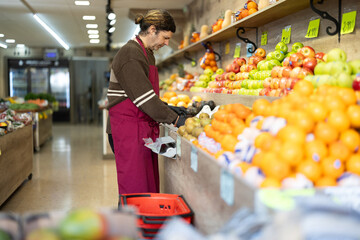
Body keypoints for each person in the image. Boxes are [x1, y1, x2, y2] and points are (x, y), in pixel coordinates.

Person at [106, 9, 187, 195]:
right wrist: (175, 119)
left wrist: (169, 108)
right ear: (152, 30)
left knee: (147, 184)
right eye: (165, 38)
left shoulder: (146, 53)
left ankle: (145, 221)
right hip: (127, 129)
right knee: (134, 187)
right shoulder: (130, 54)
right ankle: (133, 223)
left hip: (140, 127)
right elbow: (145, 98)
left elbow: (144, 93)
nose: (167, 43)